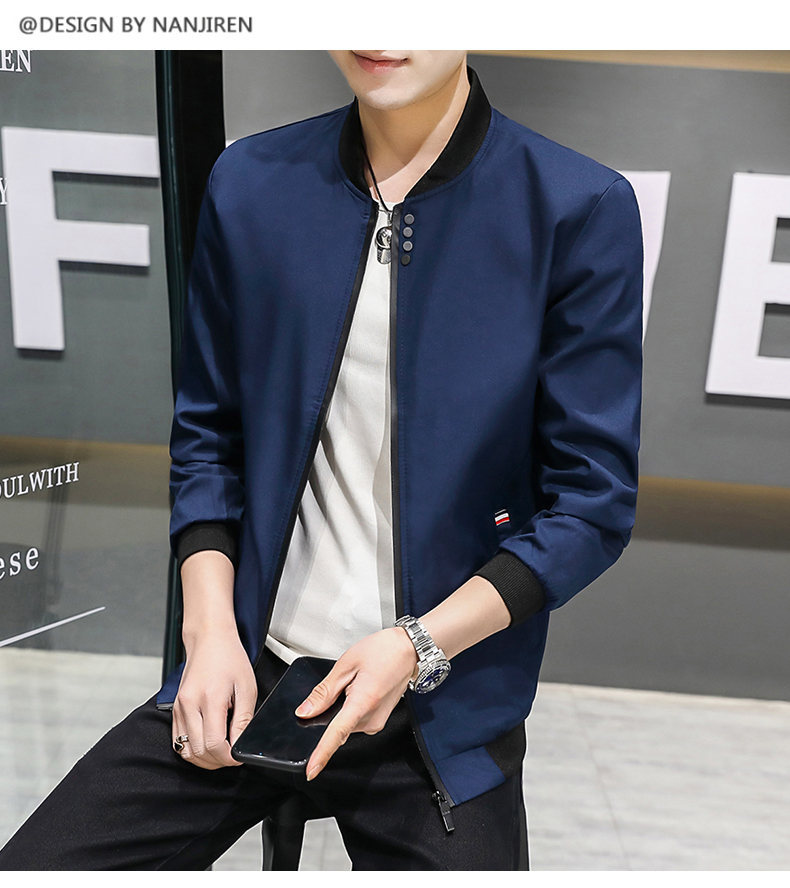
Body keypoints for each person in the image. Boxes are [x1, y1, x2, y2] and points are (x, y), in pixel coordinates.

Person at [0, 50, 643, 871]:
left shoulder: (575, 206)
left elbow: (590, 506)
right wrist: (209, 634)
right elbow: (209, 434)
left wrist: (417, 646)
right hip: (249, 670)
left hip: (437, 706)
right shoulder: (252, 181)